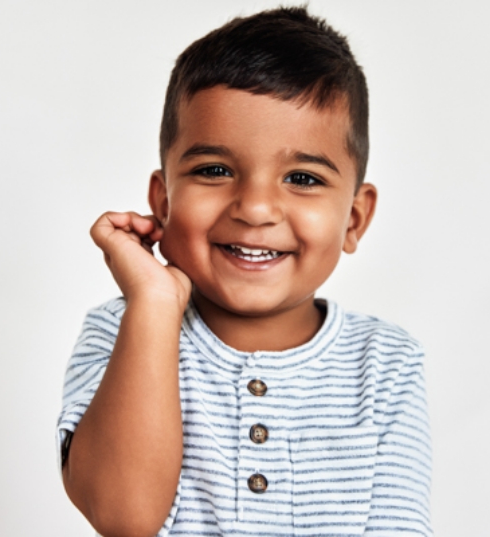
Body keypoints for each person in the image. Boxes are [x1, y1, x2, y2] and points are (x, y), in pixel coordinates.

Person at [57, 6, 432, 537]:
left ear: (353, 219)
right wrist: (155, 306)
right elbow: (124, 518)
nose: (255, 208)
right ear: (162, 202)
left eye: (302, 178)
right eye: (215, 170)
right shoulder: (122, 331)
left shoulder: (387, 364)